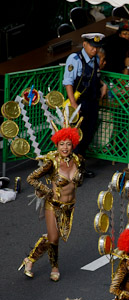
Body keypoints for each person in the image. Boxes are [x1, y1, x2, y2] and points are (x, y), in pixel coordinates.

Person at [19, 107, 84, 282]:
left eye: (68, 143)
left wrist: (77, 180)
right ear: (56, 144)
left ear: (73, 144)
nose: (65, 147)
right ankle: (53, 267)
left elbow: (80, 180)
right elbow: (31, 178)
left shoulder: (78, 160)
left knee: (54, 238)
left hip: (69, 206)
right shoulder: (52, 163)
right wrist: (48, 190)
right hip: (53, 204)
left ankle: (30, 258)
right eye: (61, 143)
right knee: (54, 238)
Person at [63, 33, 105, 178]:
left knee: (88, 133)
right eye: (93, 46)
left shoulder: (96, 59)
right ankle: (71, 170)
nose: (95, 50)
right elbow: (68, 82)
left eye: (97, 47)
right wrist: (74, 105)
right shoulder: (74, 59)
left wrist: (103, 85)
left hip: (92, 101)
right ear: (85, 44)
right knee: (75, 136)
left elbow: (95, 76)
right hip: (78, 102)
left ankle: (80, 166)